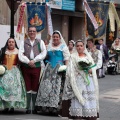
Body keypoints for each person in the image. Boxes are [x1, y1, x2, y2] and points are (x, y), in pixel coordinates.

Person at [35, 30, 70, 115]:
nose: (55, 38)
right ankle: (46, 107)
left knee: (57, 89)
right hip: (49, 69)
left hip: (59, 70)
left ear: (59, 38)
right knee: (47, 87)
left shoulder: (63, 47)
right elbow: (44, 56)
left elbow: (66, 59)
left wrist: (66, 69)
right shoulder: (48, 47)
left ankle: (56, 108)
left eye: (57, 37)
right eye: (54, 37)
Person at [62, 40, 99, 120]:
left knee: (88, 98)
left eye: (81, 46)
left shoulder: (88, 56)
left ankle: (88, 115)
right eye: (78, 46)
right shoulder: (73, 56)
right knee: (78, 98)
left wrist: (90, 70)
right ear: (76, 47)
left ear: (83, 47)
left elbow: (93, 66)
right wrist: (76, 73)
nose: (79, 47)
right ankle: (78, 115)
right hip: (77, 80)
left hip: (88, 80)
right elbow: (70, 69)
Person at [18, 26, 47, 114]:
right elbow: (20, 54)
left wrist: (34, 60)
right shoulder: (23, 42)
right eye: (30, 31)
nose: (32, 33)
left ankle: (33, 107)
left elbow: (44, 52)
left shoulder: (40, 42)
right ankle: (28, 107)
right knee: (27, 86)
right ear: (28, 32)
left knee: (34, 86)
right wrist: (28, 61)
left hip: (36, 66)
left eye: (33, 31)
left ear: (36, 32)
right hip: (26, 67)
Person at [0, 38, 26, 113]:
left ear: (15, 43)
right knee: (4, 90)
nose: (11, 43)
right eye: (9, 42)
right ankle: (5, 107)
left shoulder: (18, 52)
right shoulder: (3, 51)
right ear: (7, 43)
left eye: (12, 42)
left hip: (15, 73)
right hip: (4, 72)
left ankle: (12, 107)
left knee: (14, 90)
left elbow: (21, 62)